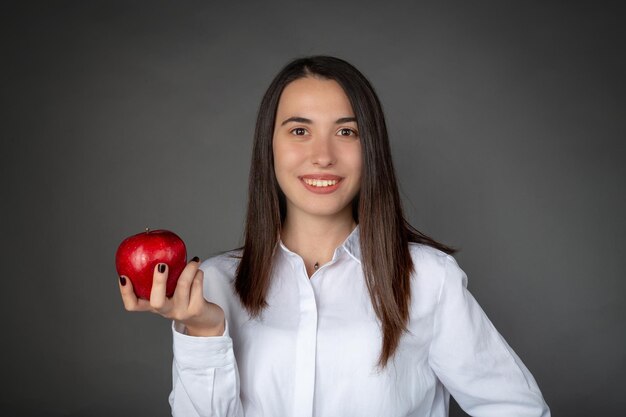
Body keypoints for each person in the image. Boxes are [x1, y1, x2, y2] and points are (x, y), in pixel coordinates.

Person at [119, 56, 551, 417]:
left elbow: (515, 407)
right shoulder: (212, 285)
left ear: (372, 148)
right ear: (269, 148)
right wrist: (203, 332)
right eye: (299, 131)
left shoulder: (429, 280)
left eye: (347, 132)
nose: (323, 156)